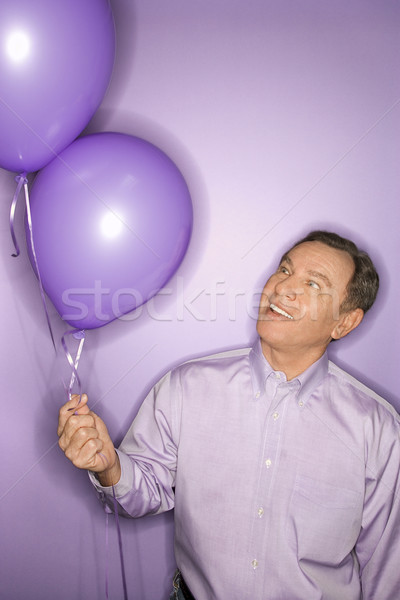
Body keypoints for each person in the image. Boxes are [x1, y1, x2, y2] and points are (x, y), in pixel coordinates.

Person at [58, 230, 400, 600]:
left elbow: (387, 569)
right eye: (284, 269)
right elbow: (141, 494)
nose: (284, 288)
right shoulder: (186, 386)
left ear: (344, 323)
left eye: (313, 283)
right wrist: (109, 466)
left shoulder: (377, 429)